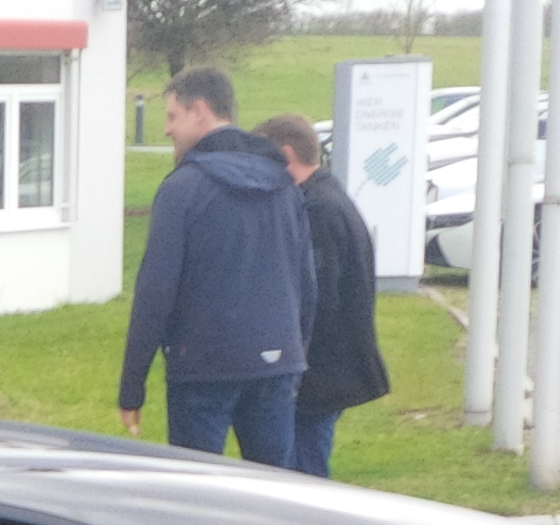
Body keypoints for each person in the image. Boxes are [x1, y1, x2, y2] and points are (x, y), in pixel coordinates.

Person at [117, 66, 314, 466]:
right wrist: (296, 354)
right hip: (276, 362)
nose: (167, 130)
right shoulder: (285, 189)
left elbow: (155, 293)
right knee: (271, 489)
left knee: (197, 488)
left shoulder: (181, 190)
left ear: (200, 111)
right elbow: (306, 282)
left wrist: (132, 387)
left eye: (172, 116)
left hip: (202, 368)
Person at [258, 113, 389, 479]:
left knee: (303, 467)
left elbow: (318, 296)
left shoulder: (315, 209)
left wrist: (294, 359)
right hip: (330, 365)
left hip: (320, 369)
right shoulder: (330, 197)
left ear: (286, 155)